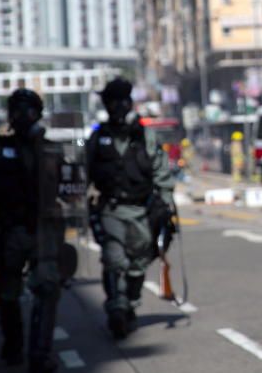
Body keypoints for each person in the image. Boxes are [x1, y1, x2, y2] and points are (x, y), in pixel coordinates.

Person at [0, 89, 63, 372]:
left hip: (42, 231)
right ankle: (13, 344)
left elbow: (72, 188)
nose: (23, 117)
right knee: (8, 293)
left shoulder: (51, 149)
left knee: (47, 288)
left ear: (39, 114)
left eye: (30, 110)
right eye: (18, 110)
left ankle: (39, 353)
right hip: (9, 232)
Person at [86, 77, 175, 339]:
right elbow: (84, 173)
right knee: (114, 259)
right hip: (111, 209)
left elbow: (161, 173)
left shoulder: (146, 136)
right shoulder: (97, 136)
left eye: (120, 101)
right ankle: (117, 307)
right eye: (111, 102)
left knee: (137, 265)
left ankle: (131, 304)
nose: (116, 107)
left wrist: (167, 208)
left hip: (142, 212)